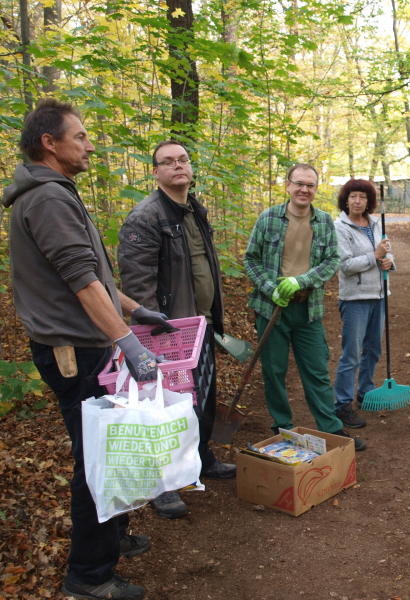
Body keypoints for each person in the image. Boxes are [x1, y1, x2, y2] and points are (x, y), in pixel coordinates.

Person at [2, 98, 166, 600]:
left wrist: (135, 310)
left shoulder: (53, 192)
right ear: (49, 143)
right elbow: (79, 281)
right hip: (75, 350)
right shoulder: (48, 199)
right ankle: (89, 576)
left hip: (89, 341)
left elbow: (92, 272)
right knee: (97, 458)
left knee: (109, 448)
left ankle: (111, 536)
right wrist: (125, 340)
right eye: (80, 136)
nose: (90, 144)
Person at [117, 140, 236, 520]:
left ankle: (201, 459)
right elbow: (137, 285)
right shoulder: (145, 218)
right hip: (169, 331)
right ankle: (162, 485)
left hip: (201, 323)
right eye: (167, 162)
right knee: (164, 407)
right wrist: (153, 334)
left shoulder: (194, 210)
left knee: (201, 398)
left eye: (182, 160)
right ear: (155, 172)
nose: (177, 166)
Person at [244, 163, 366, 451]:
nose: (304, 189)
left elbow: (331, 261)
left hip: (307, 308)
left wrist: (302, 281)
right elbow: (251, 260)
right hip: (270, 307)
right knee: (274, 371)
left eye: (310, 185)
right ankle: (282, 428)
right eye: (299, 183)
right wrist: (272, 288)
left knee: (316, 369)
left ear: (315, 189)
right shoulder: (268, 218)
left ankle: (332, 428)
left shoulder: (323, 221)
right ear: (288, 186)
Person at [332, 179, 394, 428]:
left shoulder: (376, 223)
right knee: (352, 354)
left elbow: (387, 251)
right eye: (353, 197)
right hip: (355, 298)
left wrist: (389, 261)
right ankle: (342, 404)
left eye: (363, 197)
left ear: (369, 201)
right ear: (346, 200)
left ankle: (365, 392)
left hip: (379, 294)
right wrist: (375, 256)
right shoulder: (340, 227)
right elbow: (345, 266)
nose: (358, 201)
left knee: (373, 349)